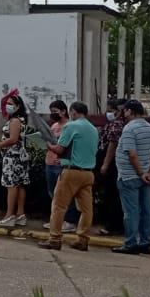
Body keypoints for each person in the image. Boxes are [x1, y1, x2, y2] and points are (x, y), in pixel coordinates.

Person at [43, 101, 97, 251]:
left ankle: (54, 238)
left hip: (71, 171)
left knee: (59, 206)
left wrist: (48, 145)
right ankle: (83, 239)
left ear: (73, 112)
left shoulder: (71, 126)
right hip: (88, 173)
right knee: (86, 209)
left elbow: (60, 149)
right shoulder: (93, 129)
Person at [113, 99, 150, 255]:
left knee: (131, 211)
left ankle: (131, 243)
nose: (123, 114)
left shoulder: (129, 129)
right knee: (147, 210)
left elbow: (132, 154)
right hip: (146, 176)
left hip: (129, 176)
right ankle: (146, 242)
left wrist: (140, 172)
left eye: (125, 111)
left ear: (130, 111)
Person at [0, 92, 29, 226]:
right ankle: (20, 214)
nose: (8, 106)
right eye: (7, 104)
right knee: (19, 185)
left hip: (12, 157)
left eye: (11, 104)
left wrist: (0, 144)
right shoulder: (19, 119)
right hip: (19, 156)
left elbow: (13, 139)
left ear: (18, 106)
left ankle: (10, 215)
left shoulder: (15, 121)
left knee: (11, 186)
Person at [96, 97, 126, 237]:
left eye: (110, 110)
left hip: (112, 164)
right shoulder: (121, 124)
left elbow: (112, 145)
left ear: (118, 111)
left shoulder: (116, 125)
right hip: (118, 164)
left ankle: (112, 225)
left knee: (111, 195)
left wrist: (105, 164)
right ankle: (117, 225)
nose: (107, 113)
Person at [41, 100, 71, 229]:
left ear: (63, 111)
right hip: (50, 162)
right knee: (52, 194)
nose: (52, 114)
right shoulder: (54, 126)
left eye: (55, 111)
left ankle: (67, 221)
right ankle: (55, 220)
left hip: (60, 164)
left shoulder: (69, 126)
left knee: (63, 194)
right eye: (51, 111)